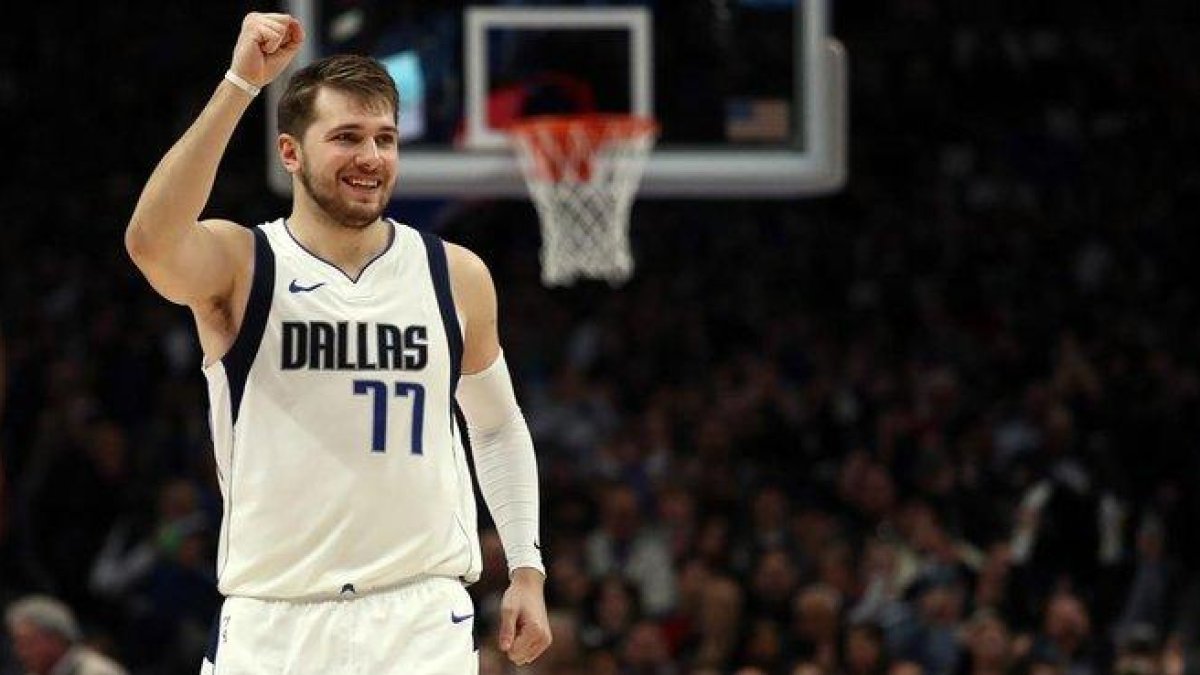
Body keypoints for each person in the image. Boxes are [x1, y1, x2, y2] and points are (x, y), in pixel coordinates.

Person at [124, 12, 551, 673]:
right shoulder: (243, 264)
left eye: (385, 138)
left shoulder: (455, 274)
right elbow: (151, 241)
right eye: (347, 137)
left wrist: (526, 566)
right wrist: (240, 83)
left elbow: (496, 426)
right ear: (291, 152)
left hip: (419, 618)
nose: (371, 157)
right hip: (273, 621)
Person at [4, 595, 128, 675]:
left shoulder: (97, 672)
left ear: (55, 638)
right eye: (17, 643)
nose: (21, 651)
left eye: (28, 642)